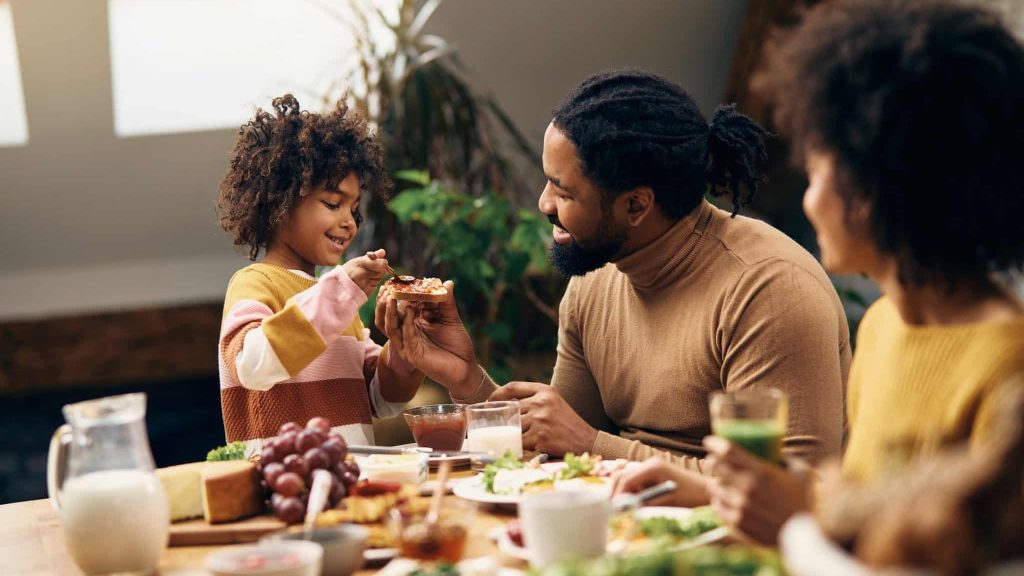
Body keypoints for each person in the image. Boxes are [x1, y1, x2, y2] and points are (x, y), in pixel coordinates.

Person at [614, 0, 1024, 547]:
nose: (809, 201)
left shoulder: (1008, 368)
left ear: (877, 187)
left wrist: (795, 526)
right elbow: (860, 512)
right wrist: (707, 490)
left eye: (816, 173)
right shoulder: (883, 325)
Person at [382, 70, 850, 500]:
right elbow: (554, 442)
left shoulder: (767, 291)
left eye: (563, 191)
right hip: (621, 529)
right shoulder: (597, 276)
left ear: (636, 206)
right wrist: (466, 378)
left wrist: (593, 445)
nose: (544, 203)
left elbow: (784, 494)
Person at [215, 94, 424, 448]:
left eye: (354, 209)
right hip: (283, 492)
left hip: (351, 487)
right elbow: (251, 365)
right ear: (279, 203)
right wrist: (341, 291)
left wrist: (404, 347)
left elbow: (381, 400)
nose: (349, 223)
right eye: (332, 204)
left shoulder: (338, 300)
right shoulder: (256, 283)